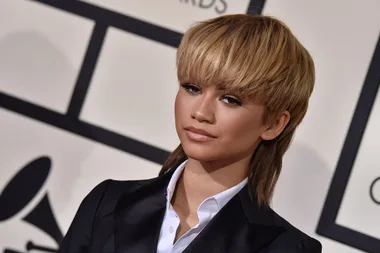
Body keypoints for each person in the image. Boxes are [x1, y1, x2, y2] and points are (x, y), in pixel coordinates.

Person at [58, 14, 322, 253]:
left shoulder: (288, 249)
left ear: (274, 124)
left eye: (230, 99)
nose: (201, 112)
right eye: (192, 88)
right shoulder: (107, 203)